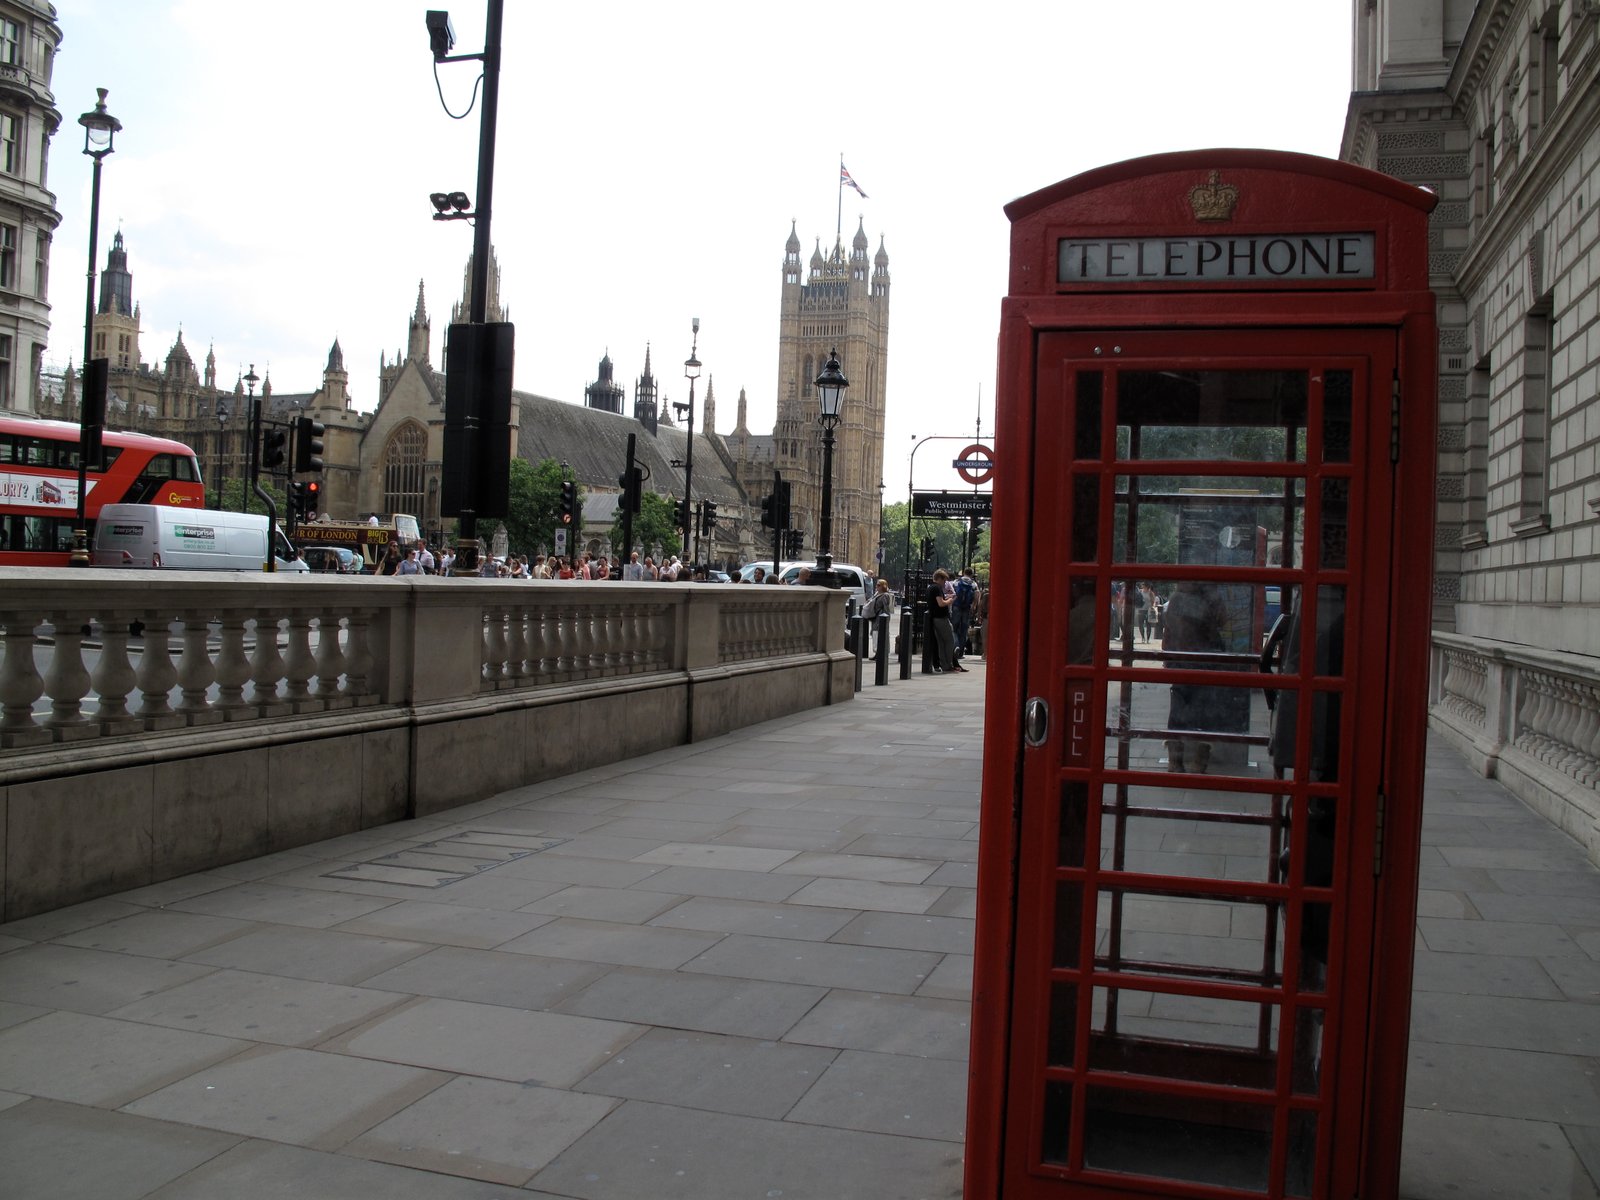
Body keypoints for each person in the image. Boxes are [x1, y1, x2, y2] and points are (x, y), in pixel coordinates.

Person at [1161, 579, 1228, 772]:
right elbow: (1222, 621)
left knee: (1177, 712)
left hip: (1179, 661)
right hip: (1203, 661)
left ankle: (1175, 762)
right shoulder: (1207, 600)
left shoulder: (1175, 599)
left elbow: (1168, 630)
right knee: (1205, 713)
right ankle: (1199, 763)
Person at [923, 569, 963, 673]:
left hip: (934, 618)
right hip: (941, 618)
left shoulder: (930, 588)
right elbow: (941, 603)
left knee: (941, 642)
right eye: (944, 580)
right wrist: (949, 600)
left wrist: (946, 597)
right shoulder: (937, 588)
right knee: (950, 640)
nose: (945, 583)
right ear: (939, 579)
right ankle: (948, 664)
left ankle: (945, 665)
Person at [951, 569, 978, 659]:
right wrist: (973, 606)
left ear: (963, 573)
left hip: (956, 607)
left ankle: (955, 647)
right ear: (971, 574)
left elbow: (952, 593)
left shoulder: (956, 581)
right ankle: (961, 652)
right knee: (964, 630)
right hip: (966, 608)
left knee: (954, 629)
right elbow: (977, 595)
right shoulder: (973, 584)